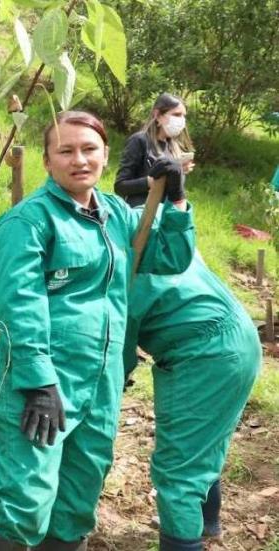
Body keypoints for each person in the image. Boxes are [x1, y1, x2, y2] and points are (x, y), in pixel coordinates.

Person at [0, 111, 195, 550]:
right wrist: (38, 382)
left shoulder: (116, 215)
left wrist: (176, 201)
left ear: (106, 155)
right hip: (40, 385)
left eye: (89, 149)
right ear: (47, 161)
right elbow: (19, 305)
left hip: (101, 384)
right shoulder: (29, 223)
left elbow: (170, 257)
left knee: (76, 504)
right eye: (66, 151)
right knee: (24, 501)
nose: (79, 160)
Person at [120, 219, 260, 550]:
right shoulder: (154, 233)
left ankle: (184, 540)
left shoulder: (120, 266)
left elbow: (117, 349)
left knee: (177, 473)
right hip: (238, 338)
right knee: (202, 446)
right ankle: (206, 523)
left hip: (204, 354)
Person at [115, 93, 195, 207]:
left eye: (184, 116)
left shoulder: (173, 147)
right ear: (157, 115)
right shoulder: (139, 141)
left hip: (164, 216)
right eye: (177, 115)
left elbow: (173, 195)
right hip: (139, 214)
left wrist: (178, 173)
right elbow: (120, 186)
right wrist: (151, 182)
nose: (182, 121)